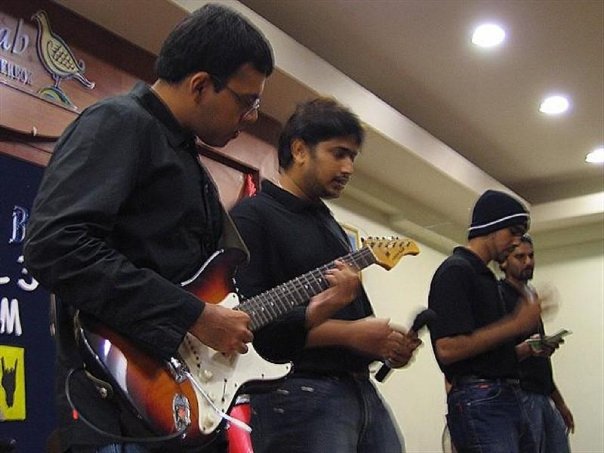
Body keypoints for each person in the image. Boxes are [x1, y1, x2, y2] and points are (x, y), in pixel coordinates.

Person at [23, 4, 275, 452]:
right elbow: (55, 246)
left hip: (171, 409)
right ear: (201, 85)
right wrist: (193, 315)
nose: (252, 115)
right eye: (246, 101)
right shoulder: (119, 123)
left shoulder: (184, 157)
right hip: (117, 413)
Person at [229, 97, 421, 453]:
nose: (348, 167)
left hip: (360, 390)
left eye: (353, 157)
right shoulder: (252, 217)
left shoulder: (329, 224)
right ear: (300, 150)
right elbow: (252, 325)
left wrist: (383, 344)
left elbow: (348, 313)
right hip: (298, 392)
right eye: (339, 153)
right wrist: (352, 334)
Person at [428, 189, 542, 453]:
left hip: (505, 395)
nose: (517, 242)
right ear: (491, 227)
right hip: (481, 399)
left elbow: (489, 356)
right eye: (513, 232)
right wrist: (515, 324)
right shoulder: (455, 271)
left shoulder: (486, 278)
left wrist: (523, 348)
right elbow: (447, 348)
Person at [499, 234, 574, 452]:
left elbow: (540, 365)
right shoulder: (500, 296)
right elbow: (498, 355)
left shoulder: (530, 297)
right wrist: (528, 348)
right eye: (520, 257)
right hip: (520, 393)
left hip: (542, 394)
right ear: (503, 262)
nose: (528, 262)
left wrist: (559, 402)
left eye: (531, 256)